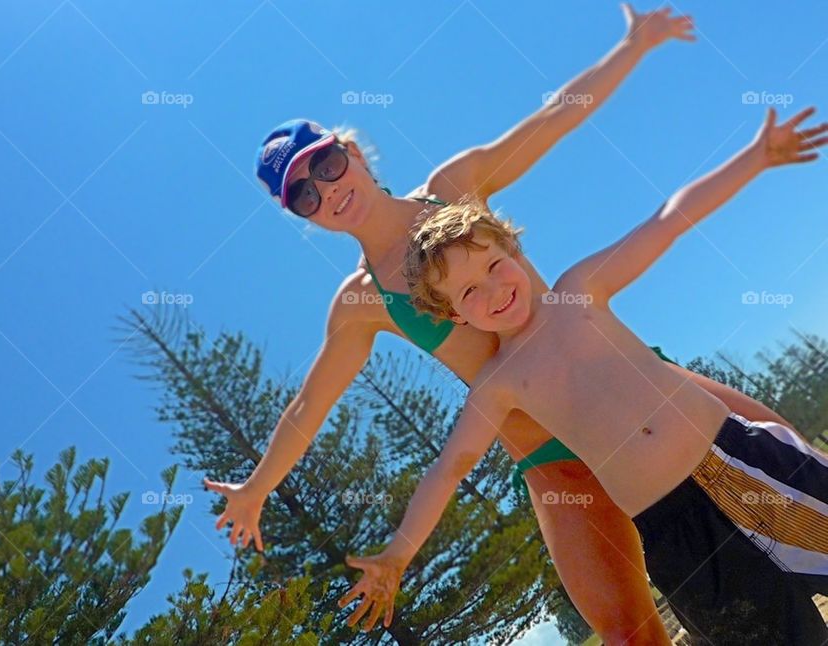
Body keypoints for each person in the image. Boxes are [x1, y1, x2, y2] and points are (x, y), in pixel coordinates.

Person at [206, 5, 793, 641]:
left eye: (324, 165)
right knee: (629, 633)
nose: (325, 190)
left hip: (630, 386)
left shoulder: (455, 186)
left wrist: (636, 44)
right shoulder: (360, 302)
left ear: (350, 151)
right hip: (549, 456)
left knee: (787, 458)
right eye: (303, 195)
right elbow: (307, 406)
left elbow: (556, 118)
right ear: (304, 217)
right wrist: (257, 487)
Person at [345, 106, 828, 643]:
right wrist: (397, 555)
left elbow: (667, 221)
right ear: (456, 315)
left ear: (513, 247)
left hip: (738, 461)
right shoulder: (499, 385)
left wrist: (756, 157)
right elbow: (448, 470)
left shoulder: (581, 291)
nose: (491, 291)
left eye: (492, 266)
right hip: (678, 535)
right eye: (467, 293)